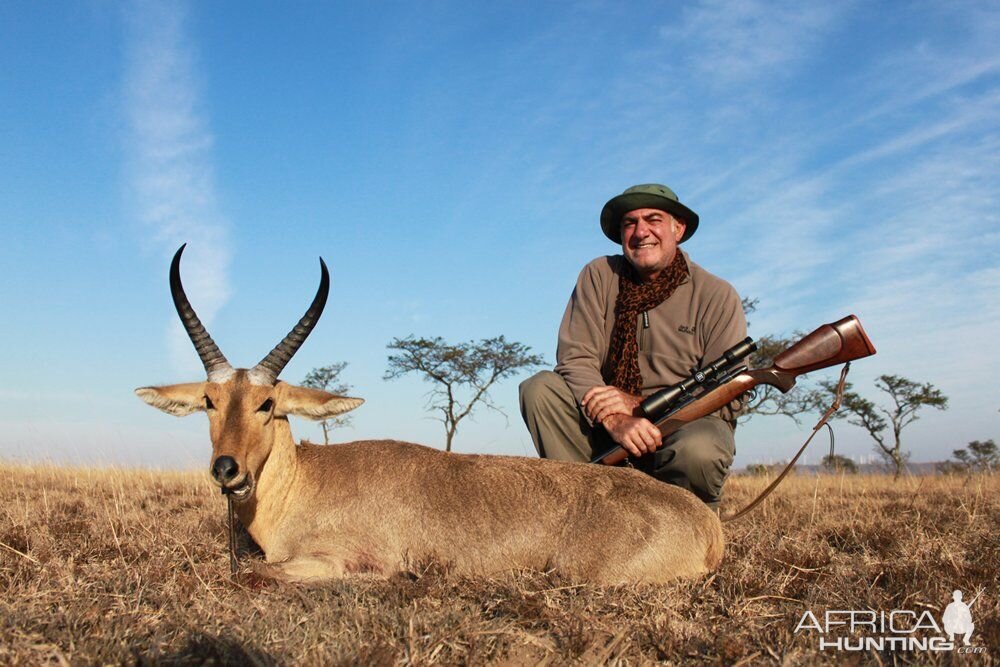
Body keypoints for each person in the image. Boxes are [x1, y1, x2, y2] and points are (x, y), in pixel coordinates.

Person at [519, 183, 747, 508]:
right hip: (607, 423)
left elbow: (729, 393)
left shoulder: (717, 294)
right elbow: (575, 359)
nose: (641, 232)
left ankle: (688, 528)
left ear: (677, 228)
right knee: (539, 389)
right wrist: (615, 417)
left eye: (653, 219)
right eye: (630, 223)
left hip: (681, 426)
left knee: (700, 448)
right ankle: (584, 512)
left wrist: (638, 405)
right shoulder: (599, 274)